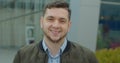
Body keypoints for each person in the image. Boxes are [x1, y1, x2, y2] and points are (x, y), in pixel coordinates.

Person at [13, 1, 98, 63]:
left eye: (62, 21)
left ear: (69, 25)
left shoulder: (87, 58)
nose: (56, 25)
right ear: (41, 22)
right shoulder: (23, 56)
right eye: (50, 19)